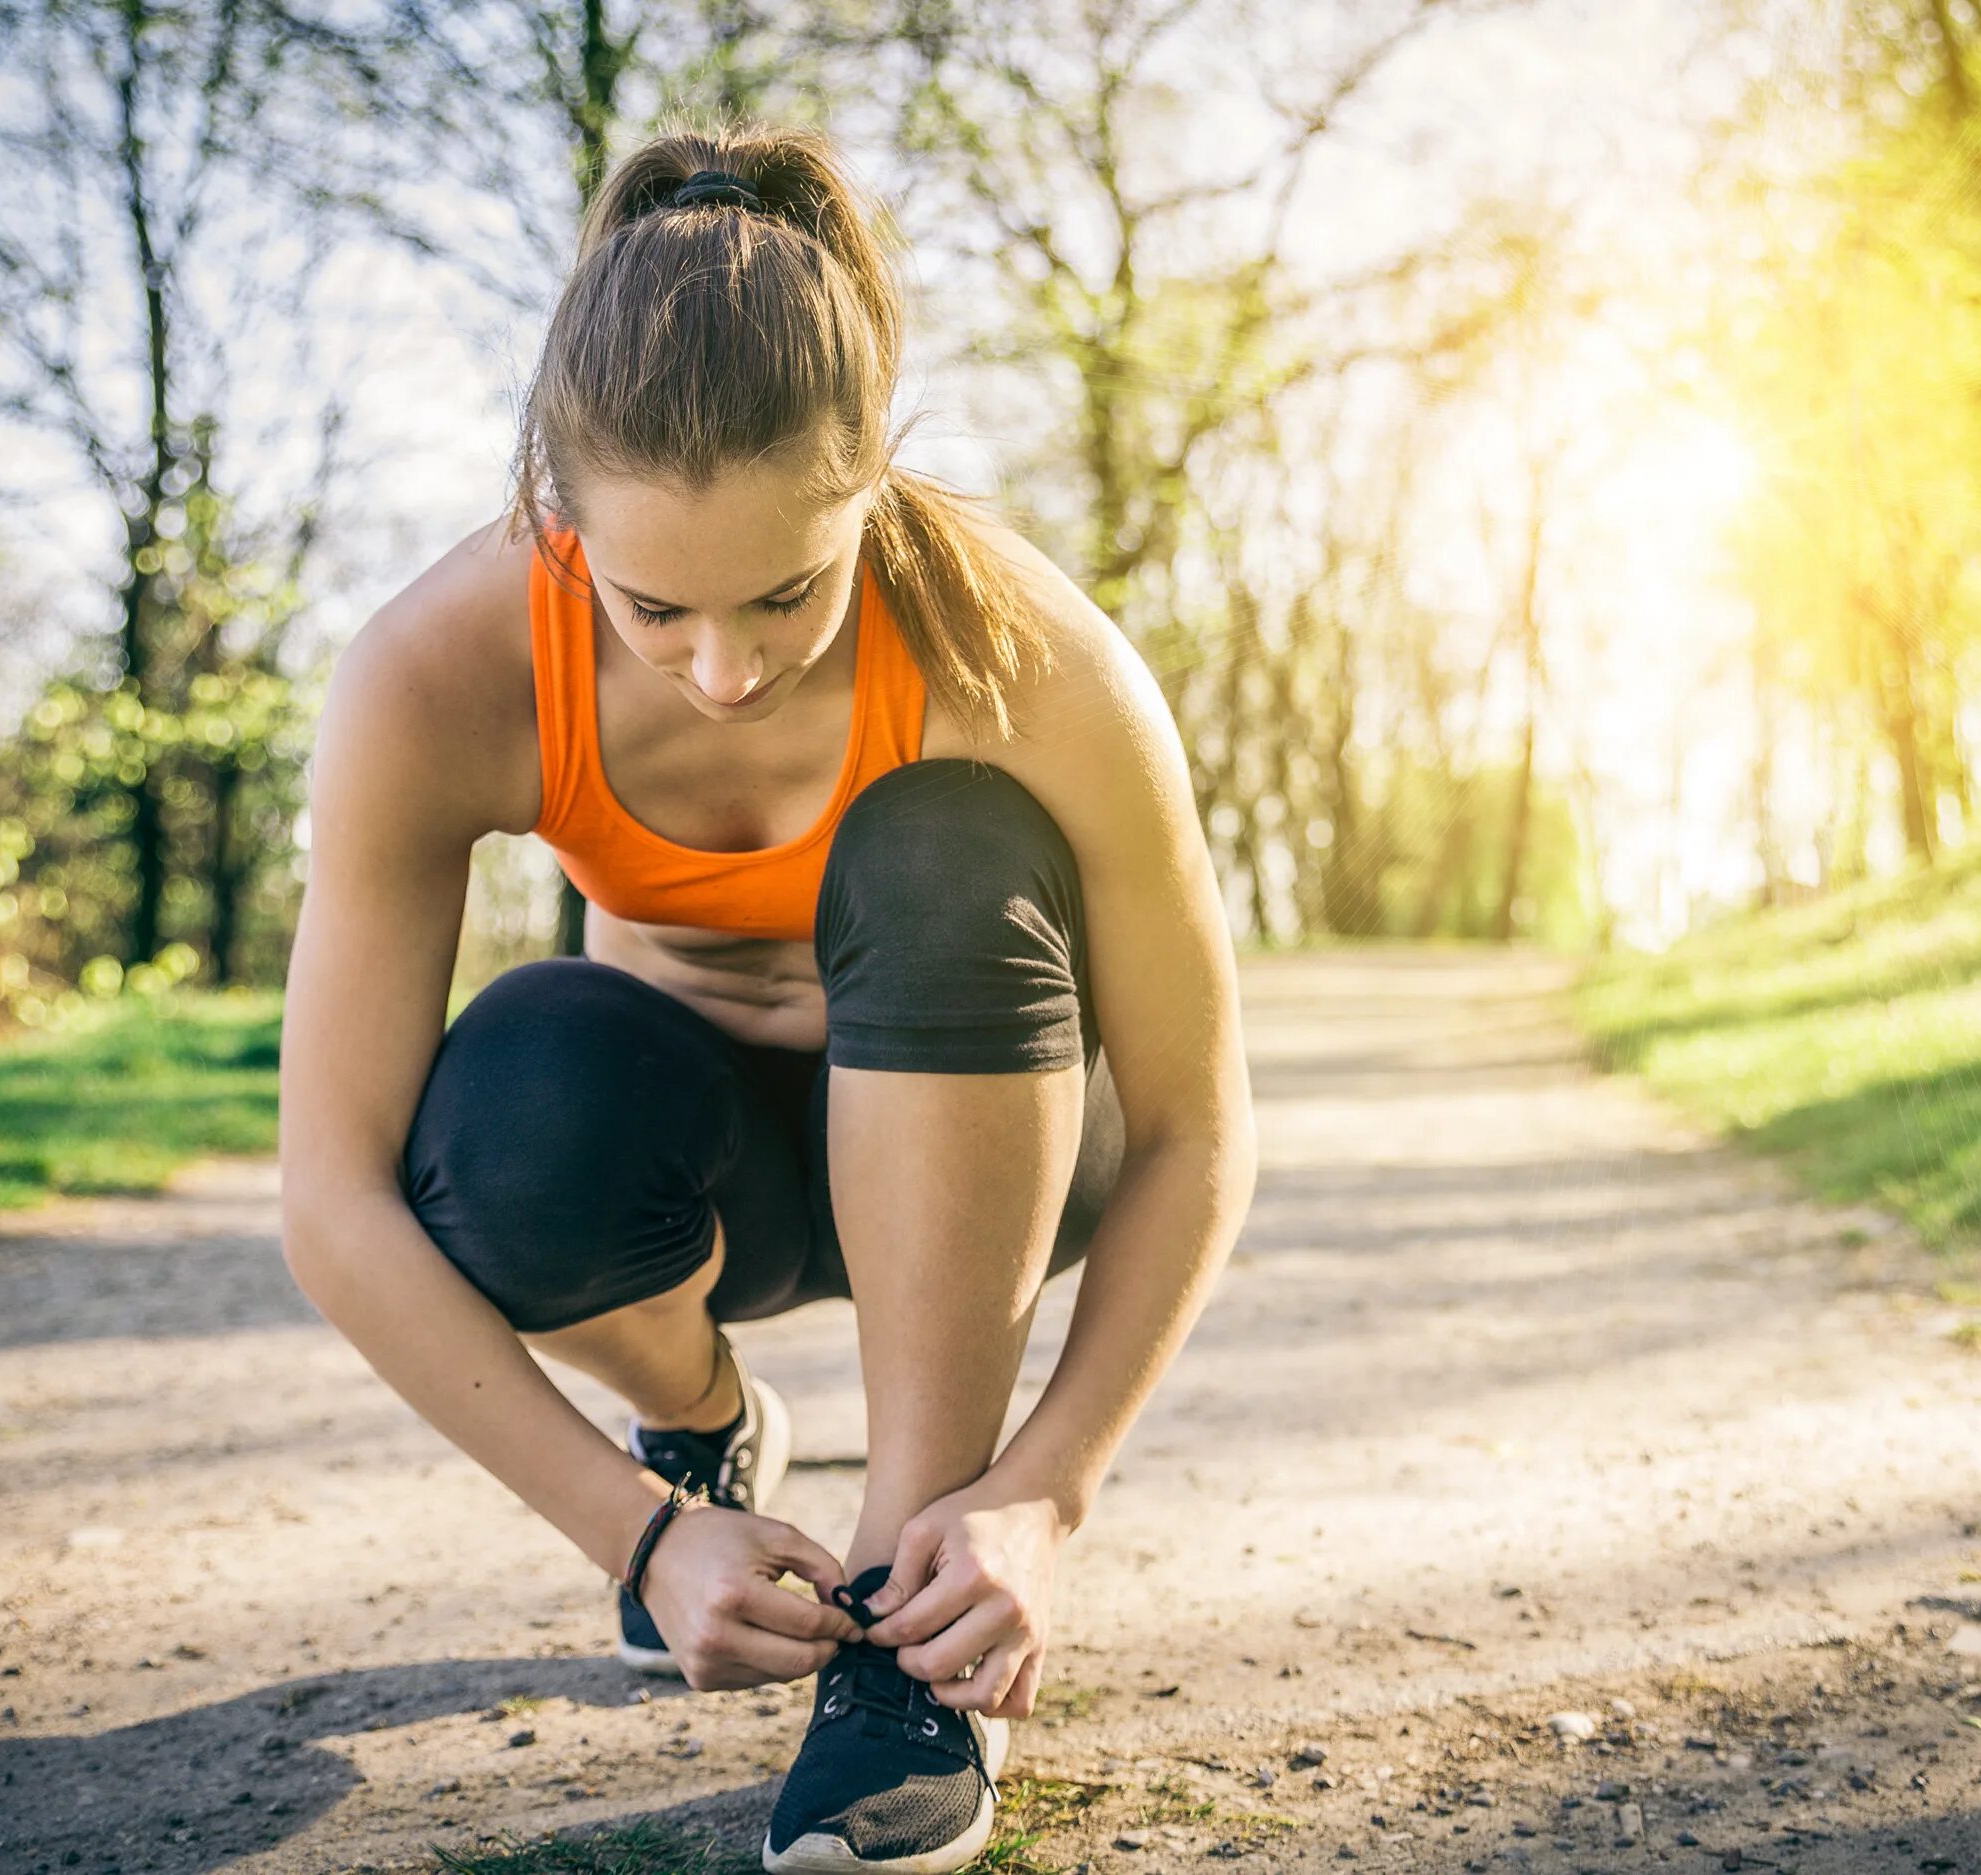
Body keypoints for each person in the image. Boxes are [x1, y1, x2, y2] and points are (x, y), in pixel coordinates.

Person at [276, 122, 1257, 1875]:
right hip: (700, 1173)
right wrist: (638, 1534)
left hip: (1003, 1140)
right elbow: (333, 1197)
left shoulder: (1031, 661)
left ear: (875, 473)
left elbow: (1199, 1127)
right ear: (553, 509)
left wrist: (1042, 1491)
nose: (724, 671)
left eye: (790, 592)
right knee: (513, 1101)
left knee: (945, 845)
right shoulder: (436, 673)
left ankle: (905, 1629)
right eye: (655, 608)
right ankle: (714, 1429)